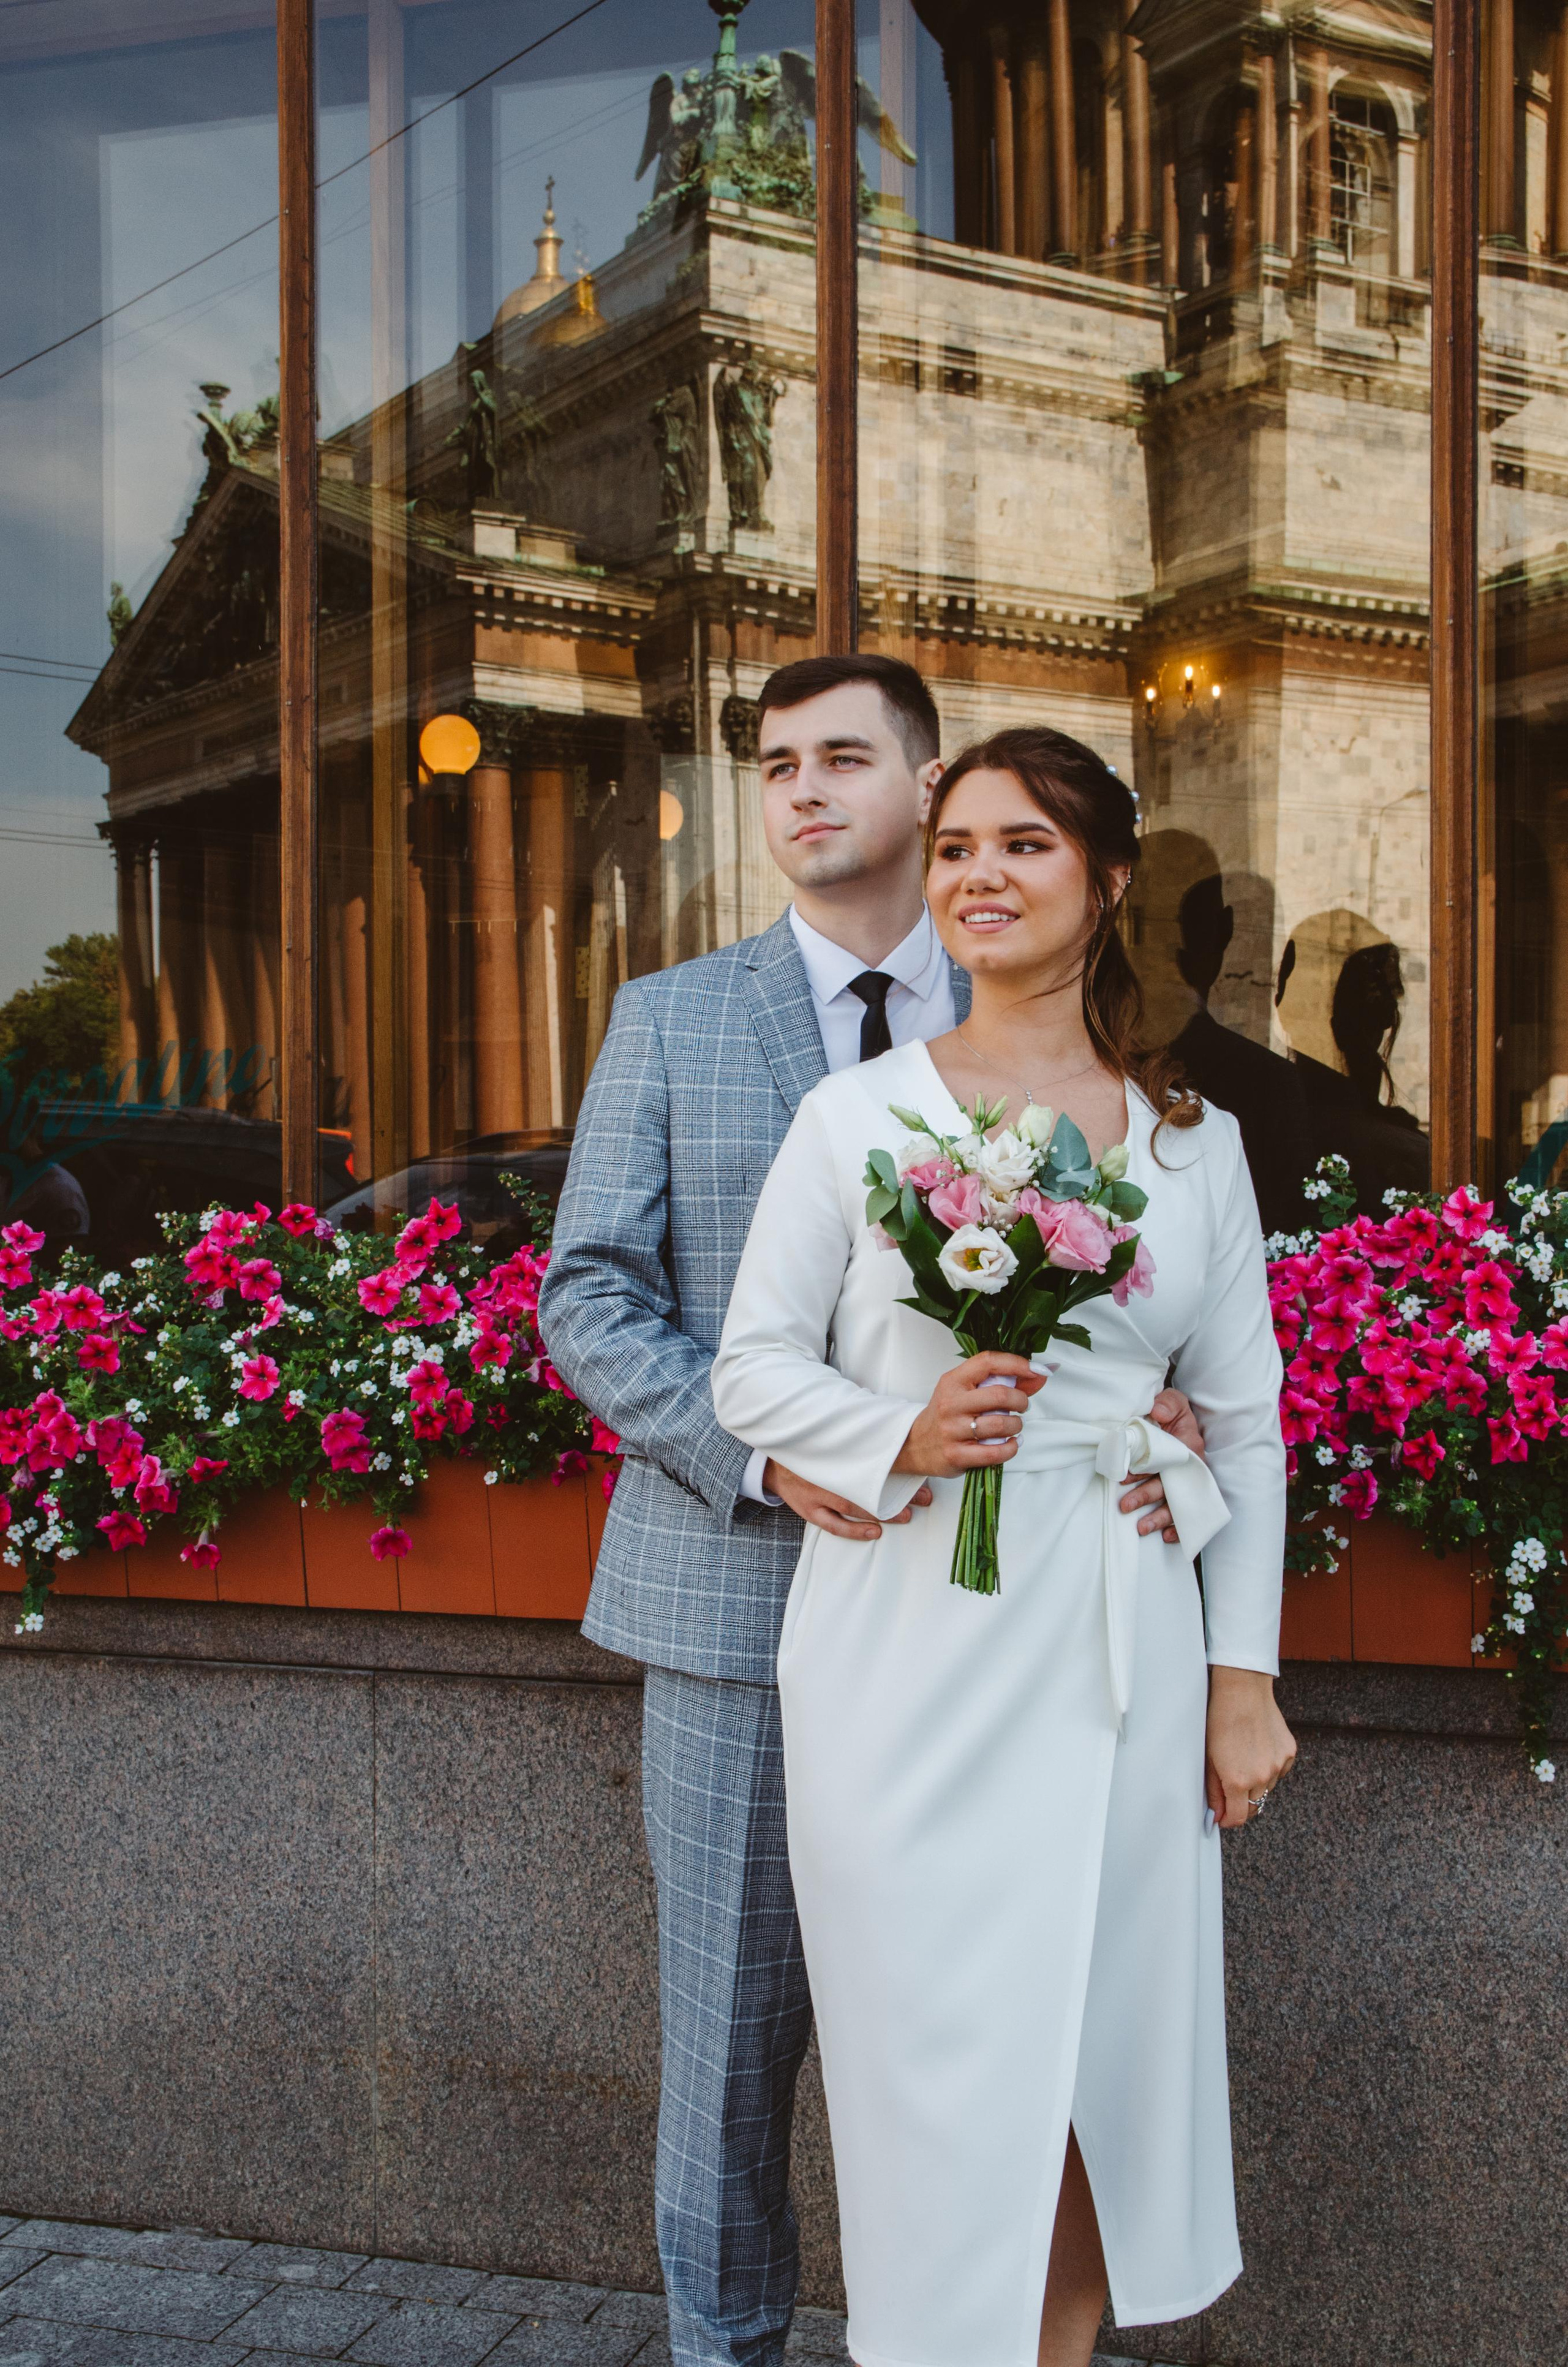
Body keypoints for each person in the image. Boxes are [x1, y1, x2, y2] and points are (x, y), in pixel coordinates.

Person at [538, 663, 1207, 2367]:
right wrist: (790, 1459)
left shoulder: (1030, 1006)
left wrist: (1140, 1396)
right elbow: (592, 1300)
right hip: (738, 1612)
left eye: (847, 757)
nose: (804, 791)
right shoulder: (671, 1017)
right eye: (776, 765)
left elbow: (1143, 1285)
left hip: (1019, 1641)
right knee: (734, 2062)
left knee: (1014, 2048)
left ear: (931, 789)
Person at [712, 725, 1295, 2367]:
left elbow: (1243, 1420)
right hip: (901, 1653)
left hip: (1117, 1655)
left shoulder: (1193, 1148)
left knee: (1094, 2073)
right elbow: (751, 1364)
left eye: (1023, 845)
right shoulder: (854, 1120)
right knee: (939, 2081)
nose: (978, 875)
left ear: (1107, 882)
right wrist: (895, 1434)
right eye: (957, 846)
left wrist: (1239, 1681)